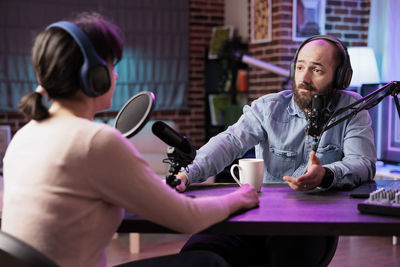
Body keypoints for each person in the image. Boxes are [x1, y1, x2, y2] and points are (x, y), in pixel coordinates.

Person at [1, 12, 260, 267]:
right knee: (208, 261)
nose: (115, 76)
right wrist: (240, 197)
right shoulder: (96, 141)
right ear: (94, 75)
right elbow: (187, 218)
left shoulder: (25, 135)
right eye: (112, 66)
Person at [175, 35, 377, 266]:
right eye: (300, 67)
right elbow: (228, 142)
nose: (304, 77)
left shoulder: (353, 109)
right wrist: (186, 174)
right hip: (257, 214)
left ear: (340, 77)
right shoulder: (266, 107)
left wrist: (327, 174)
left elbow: (363, 162)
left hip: (312, 222)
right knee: (198, 253)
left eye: (317, 70)